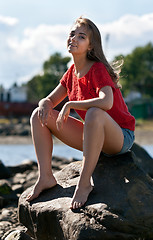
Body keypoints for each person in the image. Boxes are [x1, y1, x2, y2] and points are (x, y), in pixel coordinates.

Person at [26, 17, 135, 209]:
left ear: (91, 46)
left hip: (120, 137)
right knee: (38, 114)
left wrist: (70, 105)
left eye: (81, 36)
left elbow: (106, 102)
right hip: (95, 136)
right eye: (72, 34)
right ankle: (45, 177)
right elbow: (50, 101)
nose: (73, 38)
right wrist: (44, 102)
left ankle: (84, 183)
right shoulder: (71, 73)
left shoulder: (98, 69)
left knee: (94, 112)